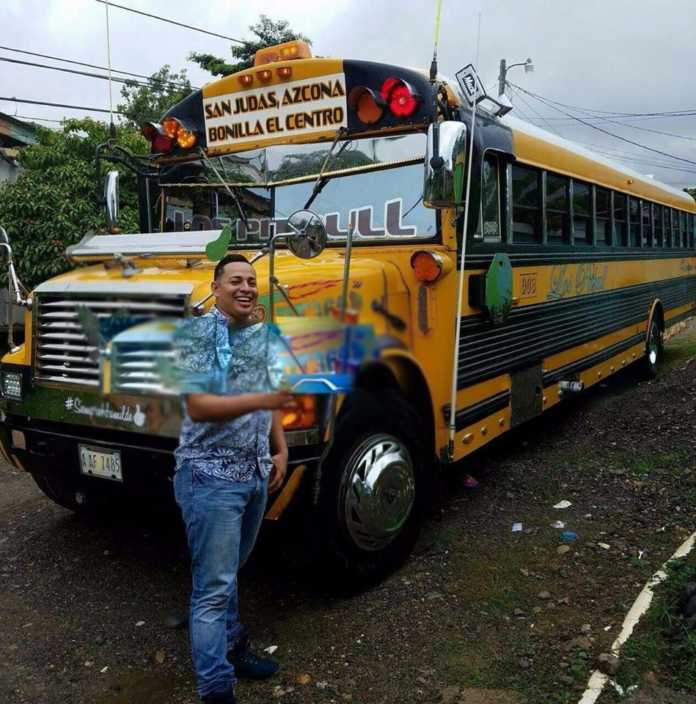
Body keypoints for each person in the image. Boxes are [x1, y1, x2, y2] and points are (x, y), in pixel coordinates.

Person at [173, 253, 295, 704]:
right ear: (216, 286)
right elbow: (199, 406)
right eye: (235, 281)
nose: (246, 287)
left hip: (256, 472)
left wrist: (280, 448)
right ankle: (216, 689)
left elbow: (272, 397)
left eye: (251, 281)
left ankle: (233, 645)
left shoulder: (261, 335)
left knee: (229, 574)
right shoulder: (197, 334)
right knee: (213, 588)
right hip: (208, 476)